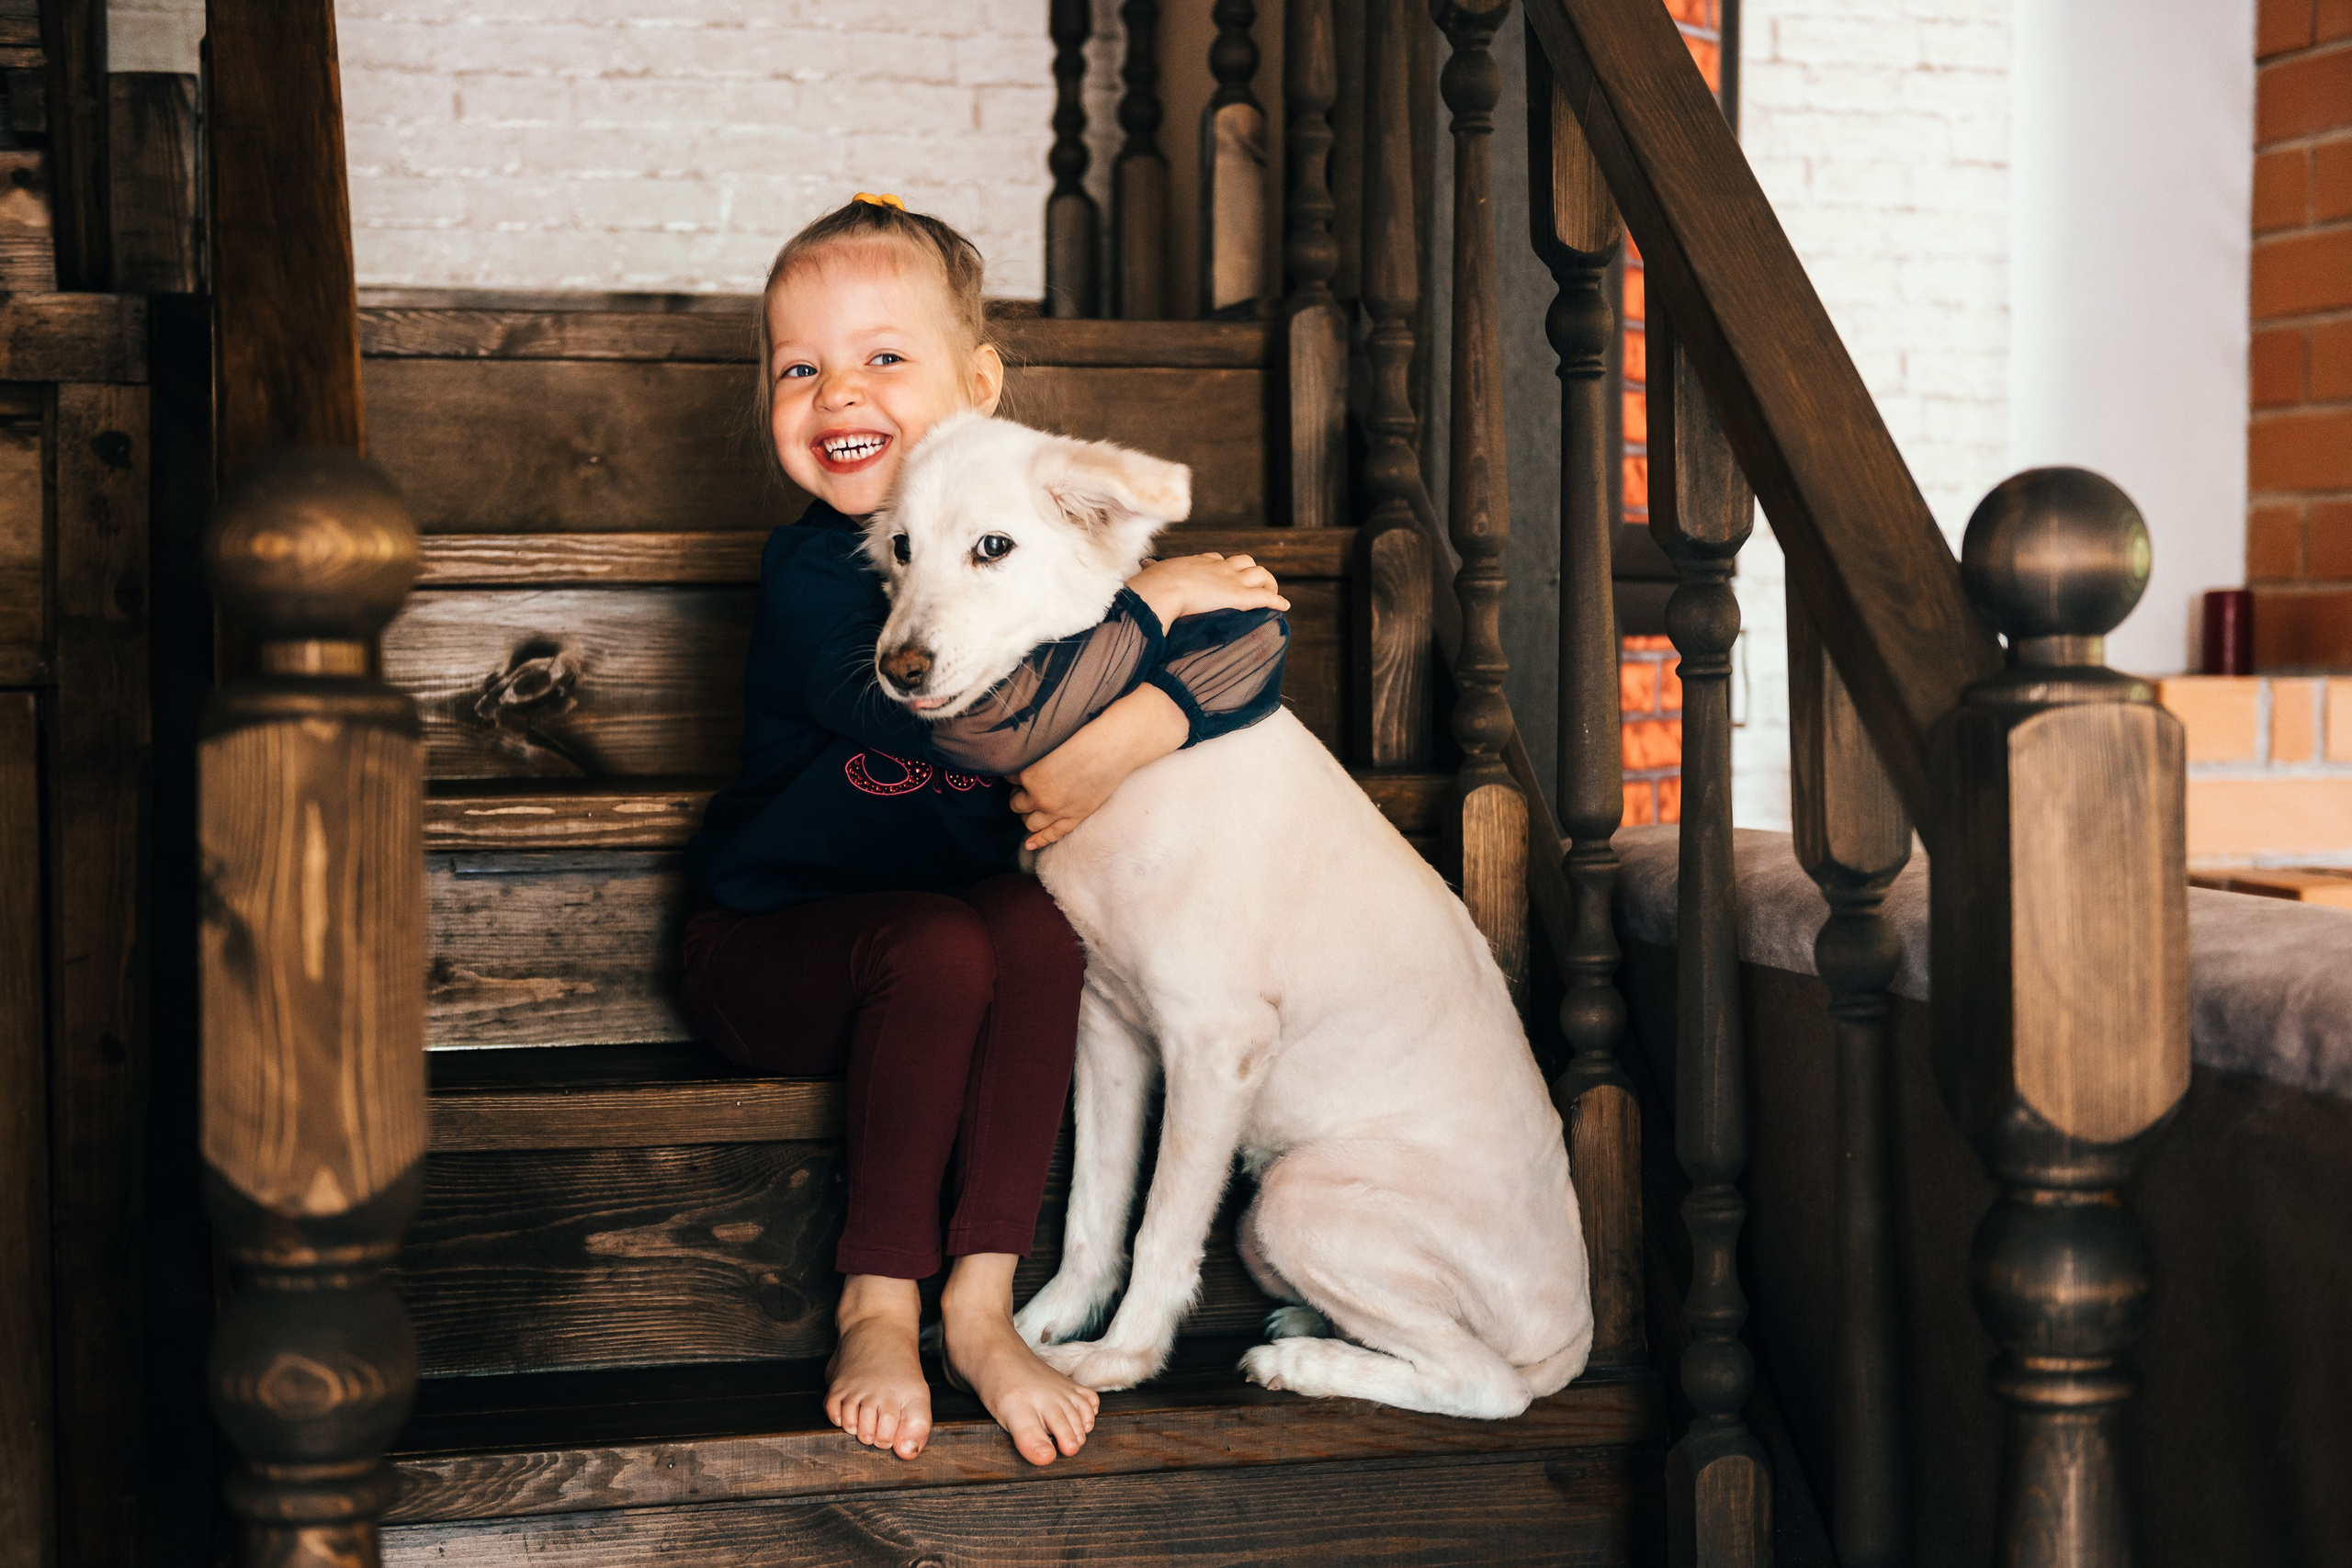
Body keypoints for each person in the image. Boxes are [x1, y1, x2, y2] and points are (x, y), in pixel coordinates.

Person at [679, 194, 1291, 1469]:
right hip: (769, 954)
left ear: (980, 384)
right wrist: (1156, 600)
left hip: (941, 944)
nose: (837, 391)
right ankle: (877, 1303)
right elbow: (991, 736)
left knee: (1034, 927)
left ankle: (979, 1303)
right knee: (948, 945)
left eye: (882, 357)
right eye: (800, 368)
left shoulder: (1020, 559)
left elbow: (1261, 651)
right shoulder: (821, 580)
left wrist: (1135, 721)